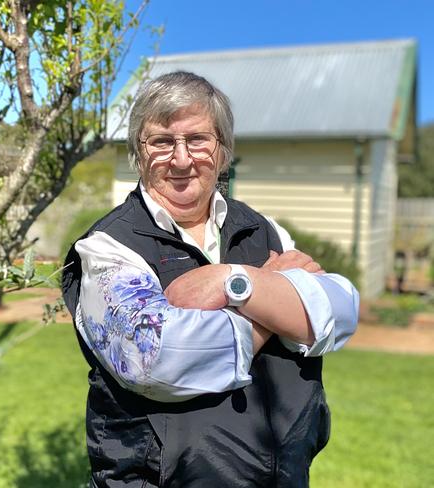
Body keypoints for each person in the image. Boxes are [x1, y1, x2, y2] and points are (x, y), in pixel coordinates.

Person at [62, 71, 359, 488]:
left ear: (222, 152)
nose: (182, 159)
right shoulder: (108, 247)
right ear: (137, 153)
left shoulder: (264, 229)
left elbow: (338, 313)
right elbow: (158, 359)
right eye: (162, 141)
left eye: (198, 139)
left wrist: (232, 281)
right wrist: (274, 306)